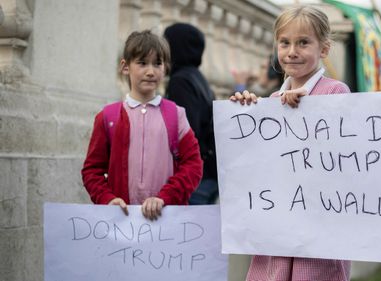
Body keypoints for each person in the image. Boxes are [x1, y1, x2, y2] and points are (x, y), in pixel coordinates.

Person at [231, 6, 351, 280]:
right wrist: (245, 113)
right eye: (284, 43)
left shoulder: (335, 91)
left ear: (323, 49)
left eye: (303, 43)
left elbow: (340, 157)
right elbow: (255, 161)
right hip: (277, 221)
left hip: (318, 224)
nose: (292, 51)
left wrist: (303, 109)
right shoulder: (272, 101)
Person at [82, 30, 203, 220]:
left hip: (167, 223)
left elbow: (193, 165)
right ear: (125, 67)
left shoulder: (176, 114)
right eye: (142, 63)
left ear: (165, 68)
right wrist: (107, 199)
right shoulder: (107, 117)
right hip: (122, 225)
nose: (150, 71)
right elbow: (92, 170)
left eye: (157, 63)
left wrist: (165, 197)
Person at [163, 23, 218, 205]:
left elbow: (186, 131)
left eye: (166, 44)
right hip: (209, 173)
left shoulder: (180, 81)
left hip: (196, 177)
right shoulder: (198, 78)